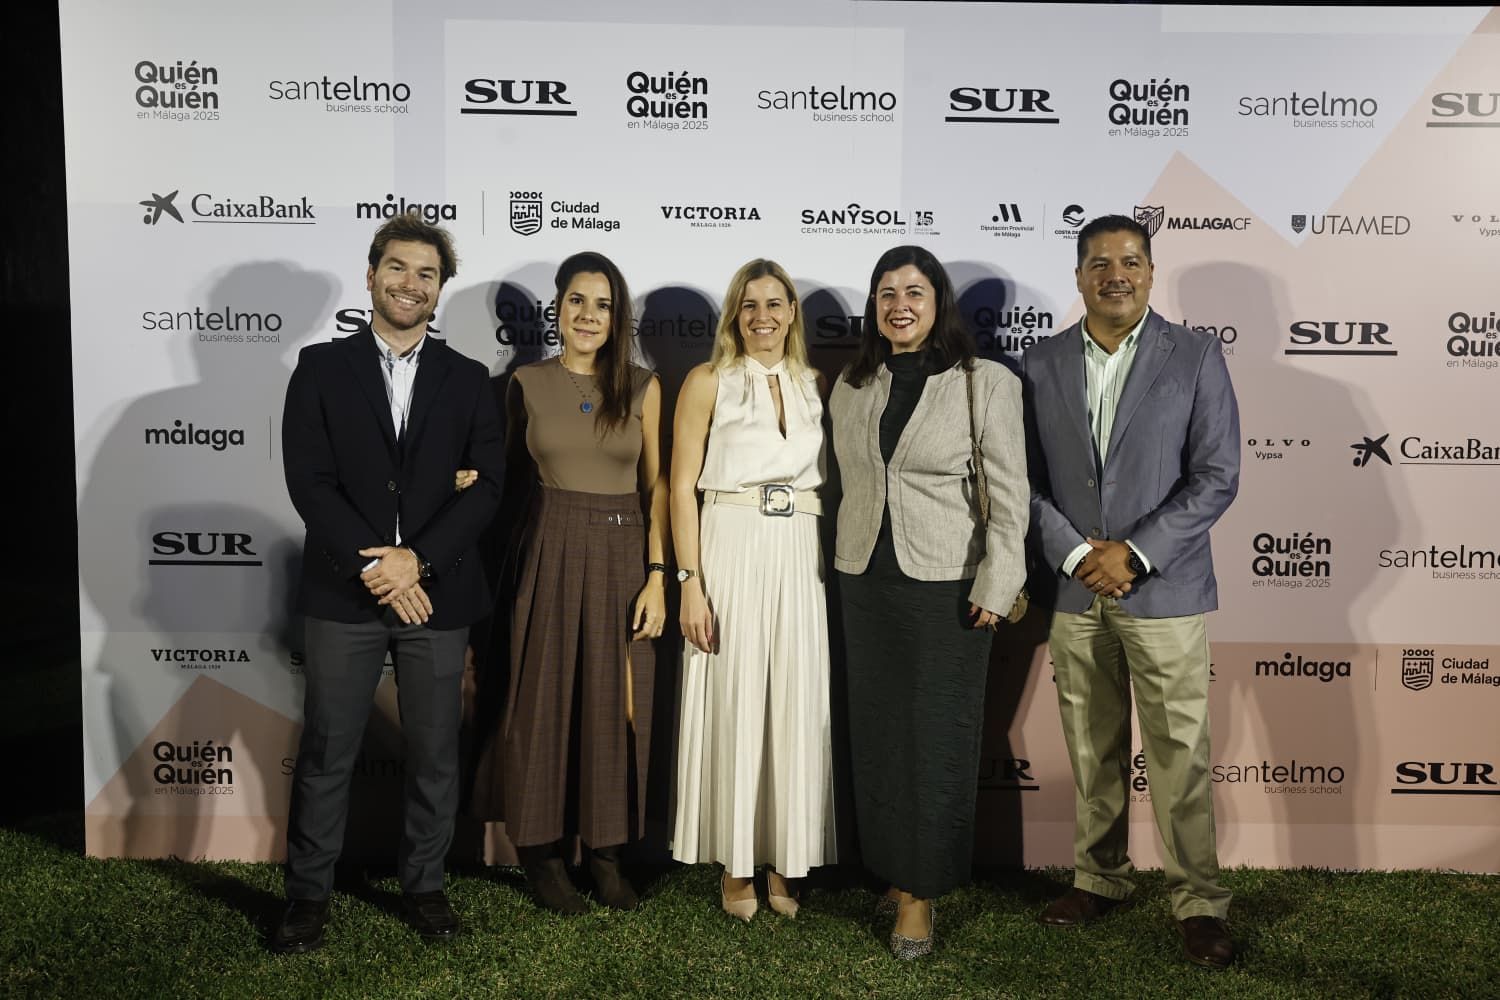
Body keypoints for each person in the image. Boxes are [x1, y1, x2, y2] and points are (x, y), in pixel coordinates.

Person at [274, 214, 504, 953]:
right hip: (346, 590)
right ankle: (308, 896)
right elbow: (309, 483)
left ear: (441, 291)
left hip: (438, 593)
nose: (411, 284)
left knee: (436, 751)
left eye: (427, 274)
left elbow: (488, 486)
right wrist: (380, 566)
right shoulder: (318, 368)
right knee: (327, 749)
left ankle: (426, 886)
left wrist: (419, 562)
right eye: (398, 269)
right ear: (371, 275)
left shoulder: (469, 381)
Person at [1020, 214, 1240, 969]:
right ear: (1079, 276)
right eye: (1101, 262)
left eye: (1132, 261)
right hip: (1077, 590)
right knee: (1092, 746)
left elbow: (1217, 475)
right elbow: (1023, 481)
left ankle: (1200, 903)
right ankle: (1099, 878)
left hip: (1165, 590)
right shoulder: (1039, 362)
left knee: (1180, 751)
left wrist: (1136, 554)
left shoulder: (1197, 355)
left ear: (1151, 272)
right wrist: (1080, 554)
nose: (1117, 273)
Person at [830, 245, 1028, 959]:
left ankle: (922, 894)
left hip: (948, 583)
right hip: (864, 578)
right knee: (880, 734)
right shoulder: (853, 385)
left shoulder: (987, 384)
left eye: (914, 292)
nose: (900, 305)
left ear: (938, 302)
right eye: (886, 293)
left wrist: (999, 584)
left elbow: (1009, 497)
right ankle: (890, 868)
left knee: (936, 740)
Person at [468, 251, 667, 914]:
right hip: (549, 548)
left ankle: (607, 855)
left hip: (624, 553)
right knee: (543, 701)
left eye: (602, 304)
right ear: (558, 308)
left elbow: (658, 488)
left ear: (618, 317)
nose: (588, 315)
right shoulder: (525, 382)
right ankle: (542, 853)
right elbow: (500, 481)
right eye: (577, 301)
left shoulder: (643, 387)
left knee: (616, 707)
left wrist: (660, 576)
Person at [670, 258, 835, 922]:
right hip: (729, 541)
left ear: (793, 311)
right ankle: (735, 863)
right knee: (735, 698)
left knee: (793, 700)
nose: (762, 316)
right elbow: (680, 485)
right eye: (749, 306)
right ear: (734, 316)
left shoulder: (816, 383)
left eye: (775, 303)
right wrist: (689, 583)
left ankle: (782, 859)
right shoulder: (708, 381)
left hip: (799, 547)